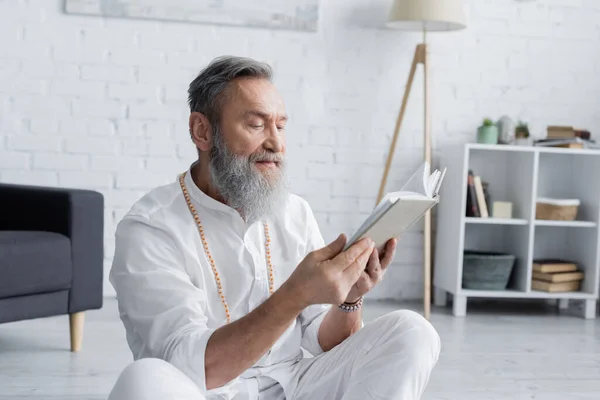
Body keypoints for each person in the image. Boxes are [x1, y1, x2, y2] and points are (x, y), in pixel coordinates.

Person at [107, 55, 440, 400]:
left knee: (412, 331)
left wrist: (350, 298)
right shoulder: (149, 228)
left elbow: (322, 340)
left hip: (296, 386)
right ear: (202, 131)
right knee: (143, 380)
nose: (276, 144)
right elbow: (194, 368)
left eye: (280, 126)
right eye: (256, 125)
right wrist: (296, 294)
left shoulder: (293, 211)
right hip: (206, 394)